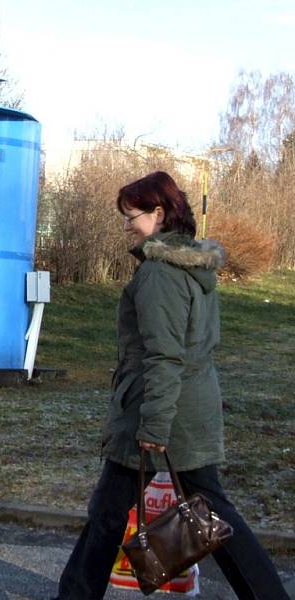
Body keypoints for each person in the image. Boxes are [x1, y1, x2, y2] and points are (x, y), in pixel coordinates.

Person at [54, 171, 289, 599]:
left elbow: (164, 356)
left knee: (107, 515)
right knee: (210, 511)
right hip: (189, 407)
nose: (127, 225)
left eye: (131, 216)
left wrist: (153, 426)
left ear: (158, 214)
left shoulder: (159, 275)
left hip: (158, 409)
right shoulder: (193, 268)